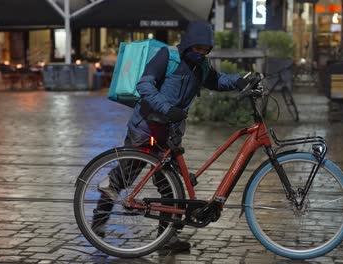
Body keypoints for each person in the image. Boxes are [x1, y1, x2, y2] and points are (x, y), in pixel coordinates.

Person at [92, 21, 248, 252]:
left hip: (170, 133)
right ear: (188, 45)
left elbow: (217, 81)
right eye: (198, 48)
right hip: (146, 128)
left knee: (170, 187)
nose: (202, 53)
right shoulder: (168, 56)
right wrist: (166, 108)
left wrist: (240, 80)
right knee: (123, 177)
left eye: (206, 49)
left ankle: (167, 239)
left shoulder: (201, 66)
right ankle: (96, 225)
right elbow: (144, 85)